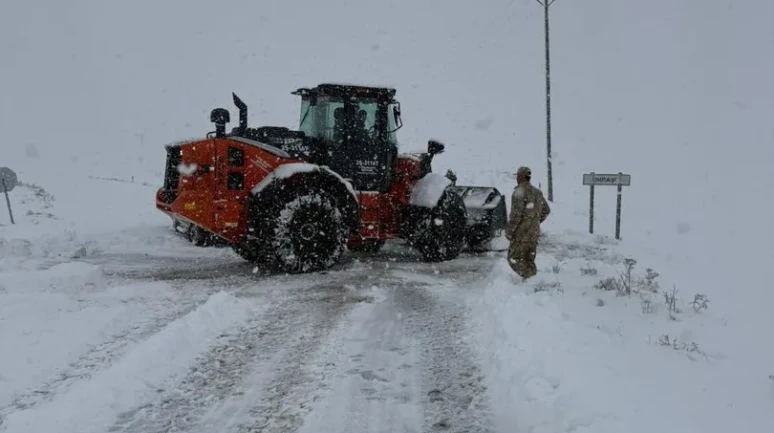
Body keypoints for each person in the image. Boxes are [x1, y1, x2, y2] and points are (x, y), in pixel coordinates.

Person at [505, 166, 550, 280]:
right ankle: (532, 283)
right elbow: (546, 210)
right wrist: (535, 221)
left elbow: (516, 215)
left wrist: (510, 231)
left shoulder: (519, 193)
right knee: (529, 260)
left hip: (521, 234)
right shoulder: (537, 192)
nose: (517, 178)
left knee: (513, 258)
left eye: (518, 176)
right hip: (534, 233)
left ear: (520, 176)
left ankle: (529, 278)